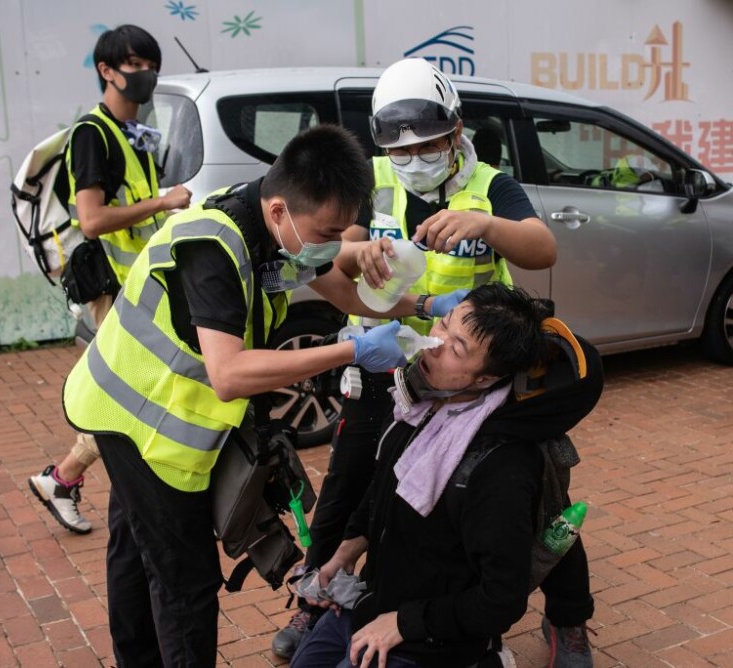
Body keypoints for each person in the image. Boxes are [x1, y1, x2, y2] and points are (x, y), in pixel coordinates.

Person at [60, 124, 466, 667]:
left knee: (137, 552)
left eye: (342, 230)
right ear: (279, 210)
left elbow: (344, 289)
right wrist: (349, 352)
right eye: (328, 231)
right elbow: (228, 374)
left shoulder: (283, 235)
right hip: (141, 422)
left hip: (147, 412)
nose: (335, 244)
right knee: (185, 578)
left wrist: (423, 305)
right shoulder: (215, 243)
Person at [273, 56, 570, 661]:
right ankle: (317, 600)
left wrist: (486, 224)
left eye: (428, 145)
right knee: (353, 481)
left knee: (530, 496)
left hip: (461, 373)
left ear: (456, 132)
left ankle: (568, 617)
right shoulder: (375, 178)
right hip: (385, 362)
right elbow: (332, 242)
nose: (413, 160)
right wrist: (362, 249)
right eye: (400, 150)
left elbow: (543, 249)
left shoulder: (489, 186)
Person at [291, 283, 604, 668]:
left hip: (429, 641)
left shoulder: (499, 469)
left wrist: (405, 623)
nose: (434, 343)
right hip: (370, 605)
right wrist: (342, 557)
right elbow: (383, 492)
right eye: (442, 324)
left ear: (486, 380)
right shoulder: (423, 408)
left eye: (457, 348)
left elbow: (501, 601)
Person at [29, 24, 192, 535]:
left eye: (151, 66)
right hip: (114, 291)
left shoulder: (134, 134)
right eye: (135, 66)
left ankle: (62, 478)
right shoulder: (92, 135)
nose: (145, 75)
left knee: (131, 396)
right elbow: (93, 219)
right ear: (106, 71)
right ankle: (67, 477)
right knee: (127, 399)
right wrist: (163, 202)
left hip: (142, 285)